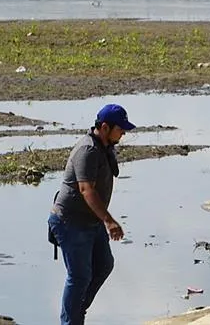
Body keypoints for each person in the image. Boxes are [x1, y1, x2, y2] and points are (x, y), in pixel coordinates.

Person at [48, 104, 135, 325]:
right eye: (120, 129)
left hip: (91, 221)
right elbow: (87, 190)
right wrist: (109, 220)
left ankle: (76, 312)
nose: (123, 133)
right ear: (105, 127)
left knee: (104, 265)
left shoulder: (106, 146)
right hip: (70, 222)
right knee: (79, 277)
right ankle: (71, 320)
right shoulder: (87, 150)